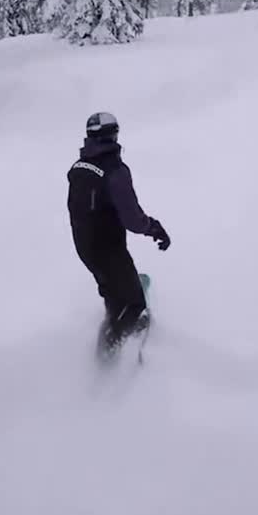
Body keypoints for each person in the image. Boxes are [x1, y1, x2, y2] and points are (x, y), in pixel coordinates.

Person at [67, 111, 171, 353]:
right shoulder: (115, 171)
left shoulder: (78, 167)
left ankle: (111, 330)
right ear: (113, 135)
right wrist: (154, 228)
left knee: (113, 296)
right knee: (134, 305)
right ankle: (111, 352)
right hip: (109, 249)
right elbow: (132, 219)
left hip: (84, 247)